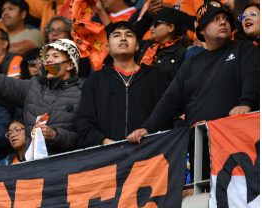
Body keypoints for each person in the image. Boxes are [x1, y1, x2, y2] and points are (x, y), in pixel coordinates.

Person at [128, 1, 259, 179]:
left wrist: (246, 103)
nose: (223, 22)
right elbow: (170, 100)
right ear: (201, 30)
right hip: (199, 147)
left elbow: (252, 77)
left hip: (236, 143)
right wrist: (148, 128)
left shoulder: (244, 48)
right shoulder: (191, 64)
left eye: (225, 19)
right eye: (215, 19)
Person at [0, 38, 84, 154]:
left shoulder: (84, 91)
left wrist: (56, 136)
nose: (48, 59)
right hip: (33, 166)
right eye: (46, 57)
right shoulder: (32, 87)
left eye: (55, 56)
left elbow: (88, 136)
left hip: (68, 165)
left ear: (70, 65)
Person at [75, 22, 165, 148]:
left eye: (129, 35)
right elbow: (84, 123)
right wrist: (106, 143)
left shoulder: (154, 75)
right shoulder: (95, 79)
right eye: (116, 35)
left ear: (137, 46)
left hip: (148, 154)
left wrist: (148, 131)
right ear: (108, 47)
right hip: (107, 157)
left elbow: (165, 115)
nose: (123, 38)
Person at [135, 8, 188, 89]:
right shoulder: (144, 45)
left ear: (170, 27)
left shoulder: (182, 54)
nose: (151, 28)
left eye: (155, 23)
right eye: (152, 23)